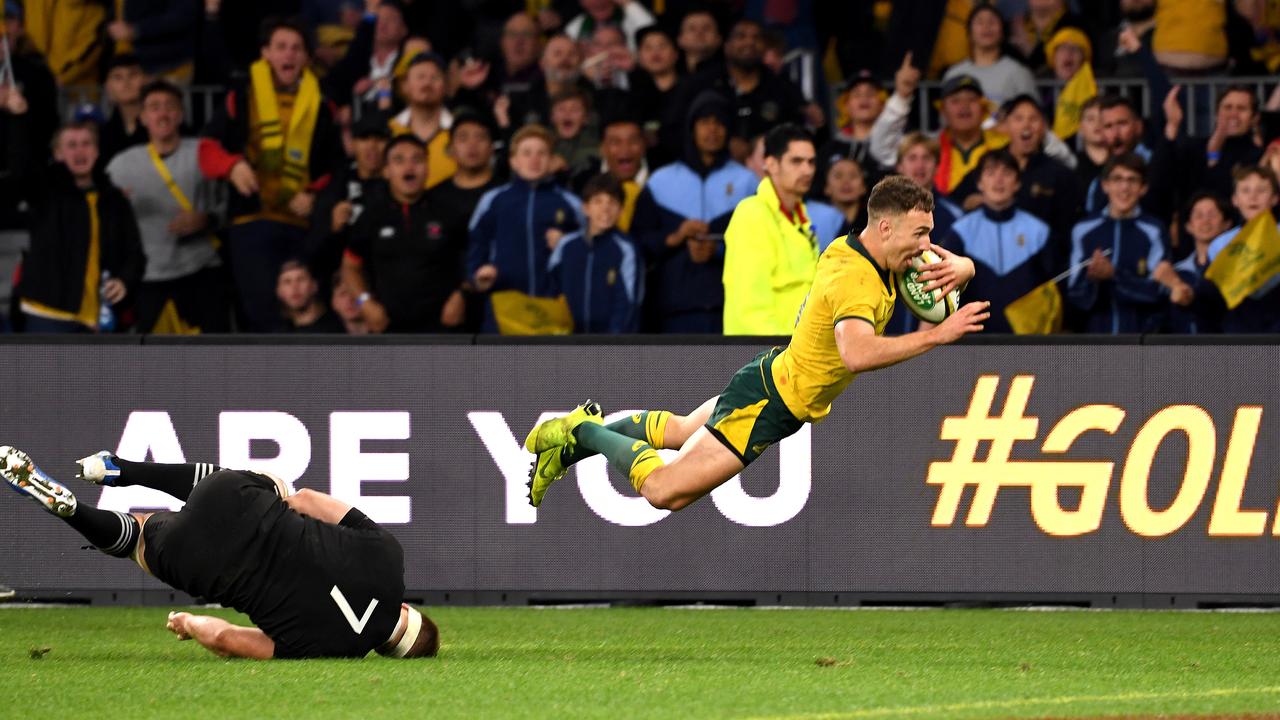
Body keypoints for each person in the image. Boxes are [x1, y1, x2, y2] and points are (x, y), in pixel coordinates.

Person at [523, 175, 988, 510]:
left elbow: (945, 265)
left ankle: (568, 447)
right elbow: (857, 352)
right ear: (886, 228)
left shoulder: (877, 252)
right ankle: (583, 430)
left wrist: (964, 267)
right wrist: (939, 336)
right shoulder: (854, 279)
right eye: (921, 233)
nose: (928, 245)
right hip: (770, 402)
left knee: (684, 430)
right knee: (664, 492)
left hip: (773, 375)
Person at [0, 445, 438, 659]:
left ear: (405, 608)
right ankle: (73, 511)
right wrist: (190, 623)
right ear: (383, 651)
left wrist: (264, 498)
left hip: (238, 504)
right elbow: (229, 638)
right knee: (137, 538)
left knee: (267, 485)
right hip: (208, 564)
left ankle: (122, 469)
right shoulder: (329, 651)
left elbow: (304, 501)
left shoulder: (389, 558)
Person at [199, 16, 343, 332]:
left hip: (301, 227)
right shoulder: (241, 95)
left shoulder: (322, 104)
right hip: (252, 223)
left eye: (296, 48)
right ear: (265, 53)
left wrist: (313, 192)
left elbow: (337, 168)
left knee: (310, 318)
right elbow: (207, 150)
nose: (288, 55)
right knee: (263, 318)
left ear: (307, 57)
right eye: (280, 47)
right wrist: (232, 166)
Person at [106, 80, 229, 334]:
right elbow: (104, 217)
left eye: (170, 106)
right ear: (142, 117)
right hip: (150, 278)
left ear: (181, 115)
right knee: (155, 362)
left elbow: (232, 203)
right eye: (154, 107)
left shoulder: (204, 151)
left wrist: (208, 219)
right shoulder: (120, 165)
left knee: (213, 355)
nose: (162, 113)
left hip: (203, 270)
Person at [630, 91, 756, 331]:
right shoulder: (660, 182)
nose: (712, 129)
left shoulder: (747, 182)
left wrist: (717, 250)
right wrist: (674, 238)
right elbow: (639, 241)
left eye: (719, 122)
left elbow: (760, 243)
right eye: (704, 122)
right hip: (674, 308)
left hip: (731, 307)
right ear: (691, 128)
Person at [10, 114, 145, 334]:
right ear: (58, 154)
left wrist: (124, 281)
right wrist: (18, 117)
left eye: (86, 144)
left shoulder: (114, 199)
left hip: (99, 318)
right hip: (48, 315)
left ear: (96, 151)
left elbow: (135, 254)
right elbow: (20, 168)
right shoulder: (45, 191)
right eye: (71, 145)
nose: (80, 151)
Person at [344, 135, 467, 333]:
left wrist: (462, 296)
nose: (409, 168)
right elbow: (350, 266)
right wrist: (364, 302)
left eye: (417, 160)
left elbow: (474, 260)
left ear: (427, 168)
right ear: (386, 171)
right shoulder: (371, 217)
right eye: (399, 160)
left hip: (443, 330)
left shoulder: (450, 212)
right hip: (389, 330)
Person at [466, 124, 584, 330]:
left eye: (542, 153)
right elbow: (476, 248)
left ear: (551, 161)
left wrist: (566, 243)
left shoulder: (571, 203)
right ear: (513, 161)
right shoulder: (494, 200)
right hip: (504, 309)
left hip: (553, 309)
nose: (534, 160)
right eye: (527, 153)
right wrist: (477, 277)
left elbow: (591, 250)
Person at [942, 150, 1054, 335]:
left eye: (1007, 173)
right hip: (974, 342)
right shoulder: (961, 232)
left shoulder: (1039, 231)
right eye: (991, 173)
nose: (999, 180)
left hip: (1028, 341)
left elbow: (1052, 295)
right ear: (979, 183)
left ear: (1017, 183)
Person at [722, 124, 818, 336]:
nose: (807, 170)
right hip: (765, 359)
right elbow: (750, 307)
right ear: (771, 164)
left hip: (796, 355)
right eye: (796, 161)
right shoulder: (753, 214)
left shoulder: (802, 219)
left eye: (811, 162)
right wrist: (782, 357)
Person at [1068, 154, 1171, 334]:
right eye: (1117, 179)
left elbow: (1159, 291)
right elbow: (1074, 295)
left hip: (1141, 343)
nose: (1125, 187)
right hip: (1095, 343)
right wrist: (1092, 279)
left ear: (1143, 188)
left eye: (1132, 180)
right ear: (1105, 185)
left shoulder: (1154, 230)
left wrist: (1113, 275)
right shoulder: (1083, 230)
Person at [548, 174, 643, 333]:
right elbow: (550, 290)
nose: (605, 208)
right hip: (568, 341)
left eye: (612, 202)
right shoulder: (566, 245)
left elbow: (628, 302)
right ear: (585, 208)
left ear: (620, 210)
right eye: (598, 201)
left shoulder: (626, 249)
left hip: (610, 346)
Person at [1202, 165, 1280, 333]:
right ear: (1235, 200)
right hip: (1238, 339)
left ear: (1275, 198)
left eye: (1262, 190)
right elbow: (1211, 299)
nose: (1253, 196)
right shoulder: (1220, 245)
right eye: (1245, 190)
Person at [941, 5, 1036, 108]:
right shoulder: (954, 74)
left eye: (992, 22)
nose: (986, 27)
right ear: (969, 33)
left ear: (1002, 32)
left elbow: (1033, 114)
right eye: (980, 22)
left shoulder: (1018, 72)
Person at [1163, 191, 1231, 334]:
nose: (1205, 221)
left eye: (1212, 215)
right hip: (1184, 352)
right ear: (1188, 226)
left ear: (1226, 224)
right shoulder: (1177, 272)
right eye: (1199, 215)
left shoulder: (1236, 267)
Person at [388, 52, 456, 191]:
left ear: (446, 86)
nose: (427, 83)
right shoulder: (388, 130)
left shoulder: (458, 132)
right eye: (420, 77)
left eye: (434, 77)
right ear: (405, 86)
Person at [570, 115, 649, 232]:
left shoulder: (664, 181)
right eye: (616, 142)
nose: (625, 149)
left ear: (644, 145)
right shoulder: (581, 182)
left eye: (633, 141)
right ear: (602, 148)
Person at [99, 54, 150, 165]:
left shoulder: (163, 127)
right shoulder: (102, 135)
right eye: (118, 77)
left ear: (146, 80)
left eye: (133, 75)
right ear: (108, 86)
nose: (126, 83)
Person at [808, 158, 867, 252]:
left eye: (853, 176)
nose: (846, 181)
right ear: (826, 187)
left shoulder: (872, 223)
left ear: (863, 187)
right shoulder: (811, 220)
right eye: (838, 176)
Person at [277, 259, 344, 332]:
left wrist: (359, 301)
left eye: (301, 279)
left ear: (314, 286)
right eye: (287, 282)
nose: (295, 287)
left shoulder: (337, 327)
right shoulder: (277, 334)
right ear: (279, 291)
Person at [563, 0, 657, 49]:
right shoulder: (575, 27)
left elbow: (654, 36)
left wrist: (628, 3)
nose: (597, 1)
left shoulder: (631, 15)